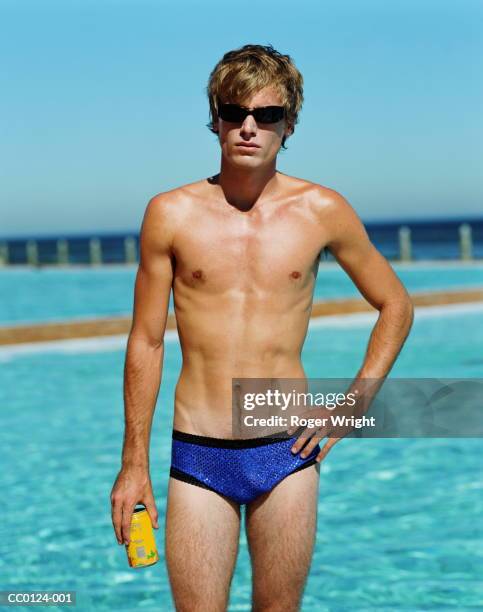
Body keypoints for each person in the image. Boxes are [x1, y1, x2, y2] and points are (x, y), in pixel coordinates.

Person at [110, 43, 414, 611]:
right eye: (234, 112)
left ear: (288, 124)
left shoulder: (322, 210)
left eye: (267, 115)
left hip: (285, 450)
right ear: (215, 119)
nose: (249, 127)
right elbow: (147, 341)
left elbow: (395, 305)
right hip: (198, 452)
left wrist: (353, 404)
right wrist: (133, 465)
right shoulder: (169, 213)